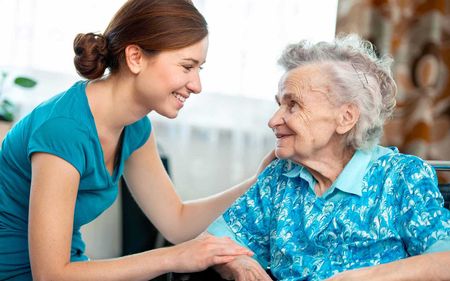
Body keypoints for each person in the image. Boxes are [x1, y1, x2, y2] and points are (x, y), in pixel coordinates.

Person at [0, 0, 275, 280]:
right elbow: (51, 275)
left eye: (199, 69)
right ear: (135, 58)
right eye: (186, 66)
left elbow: (176, 221)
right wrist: (175, 257)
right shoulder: (63, 131)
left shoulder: (134, 127)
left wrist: (261, 181)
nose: (196, 85)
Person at [207, 34, 450, 281]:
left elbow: (444, 262)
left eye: (293, 105)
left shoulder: (400, 177)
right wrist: (240, 263)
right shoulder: (280, 177)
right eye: (279, 104)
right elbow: (212, 242)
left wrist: (362, 277)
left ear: (346, 118)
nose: (273, 120)